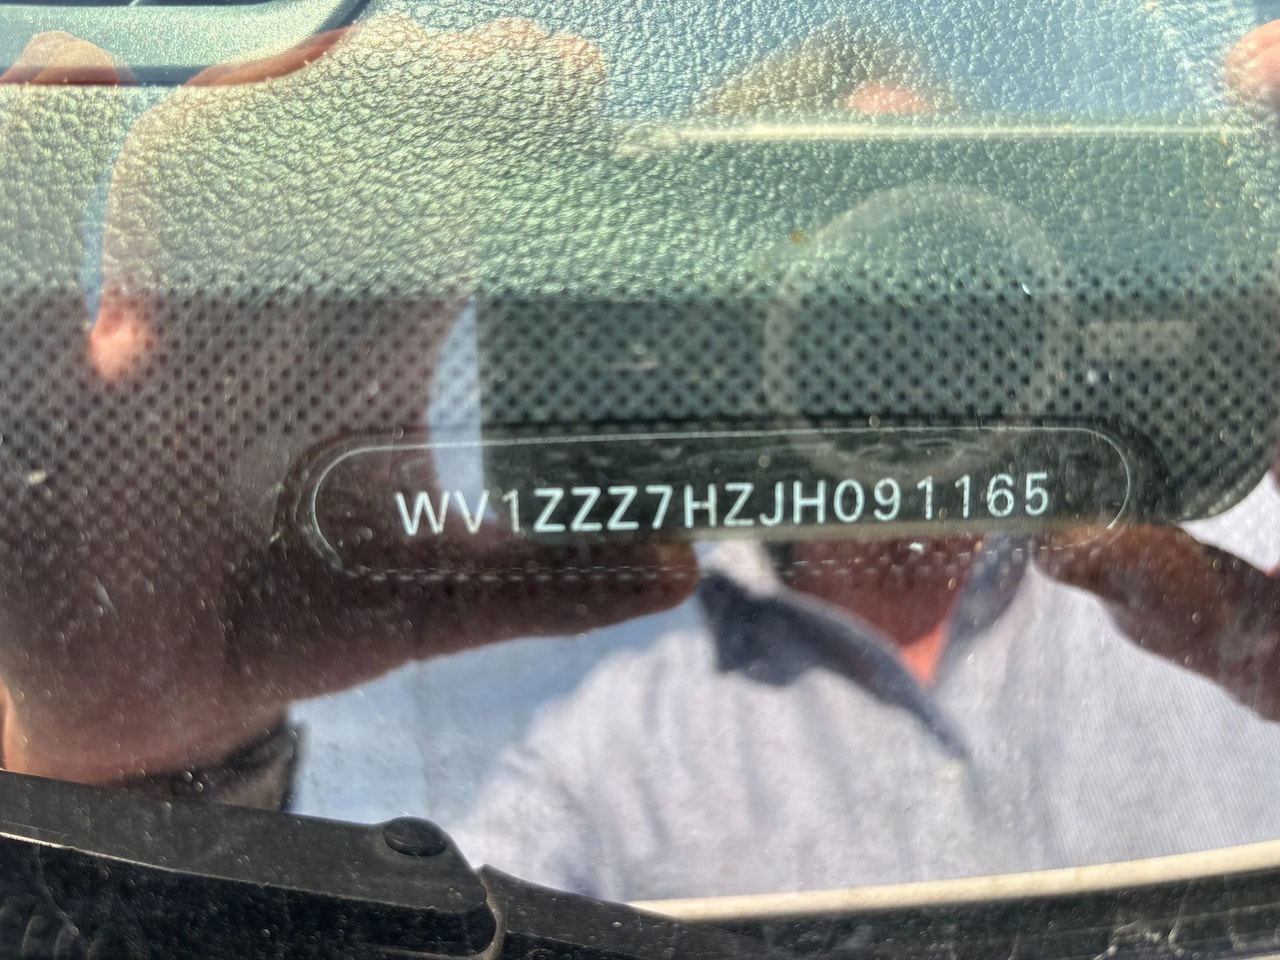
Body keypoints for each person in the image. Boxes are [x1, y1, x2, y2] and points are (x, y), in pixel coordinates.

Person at [0, 0, 1279, 898]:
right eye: (803, 255)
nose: (882, 320)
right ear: (682, 311)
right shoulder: (612, 757)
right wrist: (132, 767)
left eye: (933, 248)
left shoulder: (1241, 575)